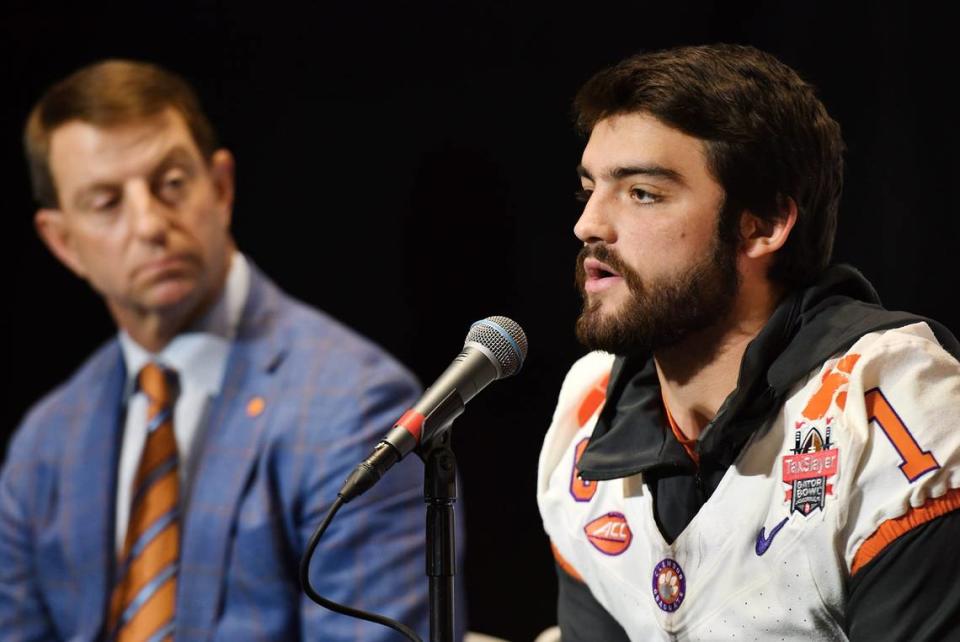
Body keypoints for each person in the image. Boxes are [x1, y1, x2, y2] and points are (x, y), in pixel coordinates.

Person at [0, 59, 453, 641]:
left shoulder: (357, 406)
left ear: (219, 187)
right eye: (107, 202)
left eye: (171, 184)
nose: (149, 224)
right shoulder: (45, 443)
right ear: (63, 242)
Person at [537, 44, 960, 641]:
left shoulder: (893, 405)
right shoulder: (587, 408)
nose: (588, 226)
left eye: (641, 193)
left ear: (762, 225)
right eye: (589, 191)